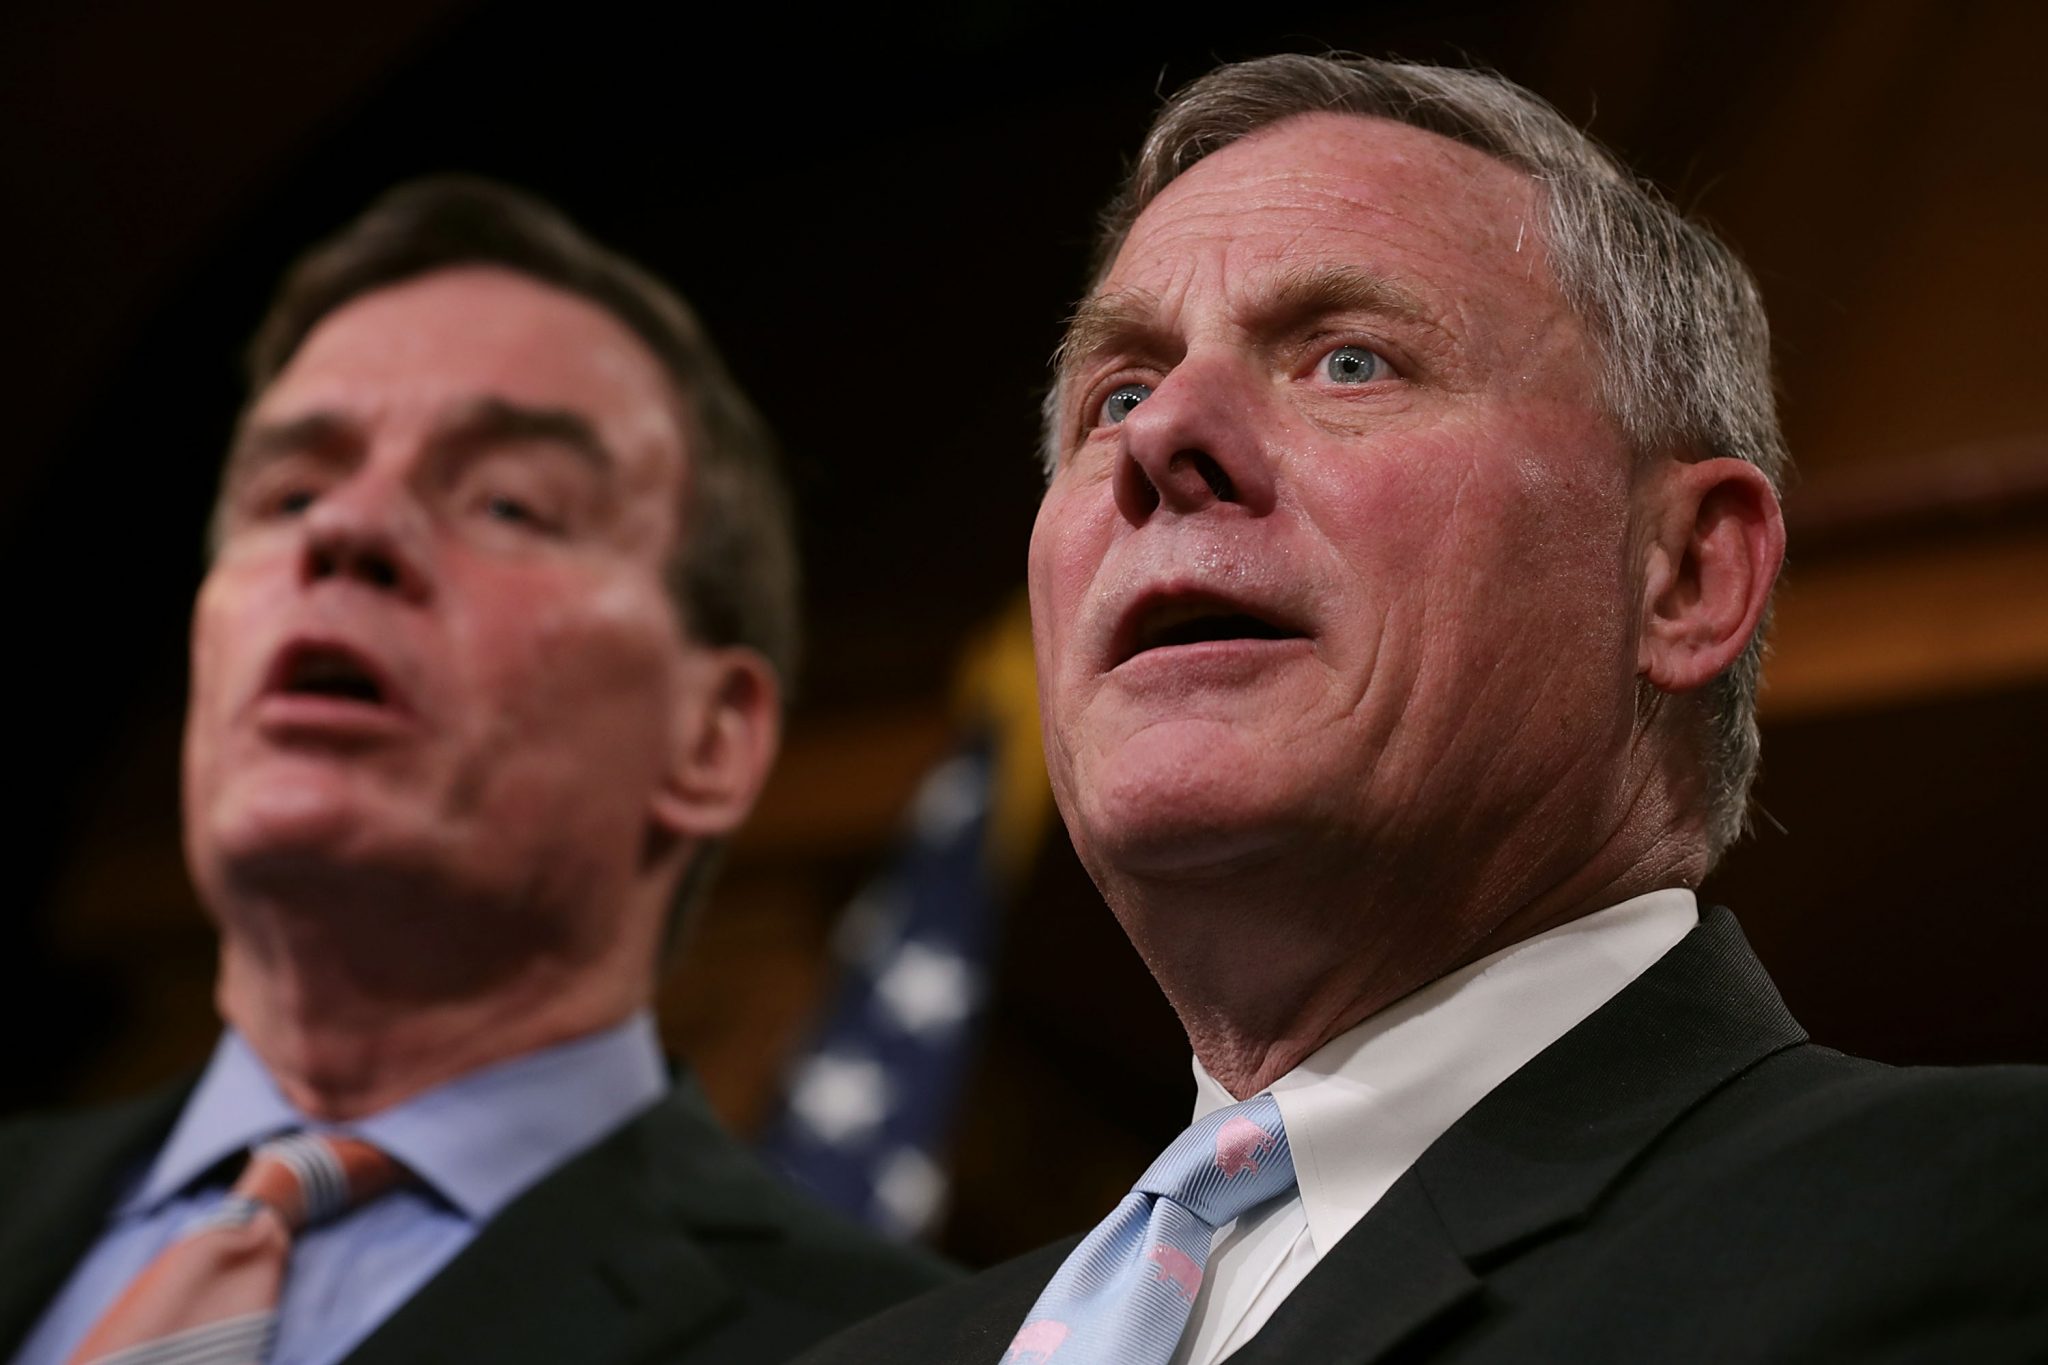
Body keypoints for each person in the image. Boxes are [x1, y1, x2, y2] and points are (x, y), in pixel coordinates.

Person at [795, 52, 2048, 1365]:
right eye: (1117, 394)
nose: (1164, 436)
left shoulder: (1970, 1215)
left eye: (1348, 360)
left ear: (1683, 573)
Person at [0, 178, 949, 1365]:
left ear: (710, 738)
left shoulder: (891, 1345)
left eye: (508, 502)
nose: (344, 531)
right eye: (288, 491)